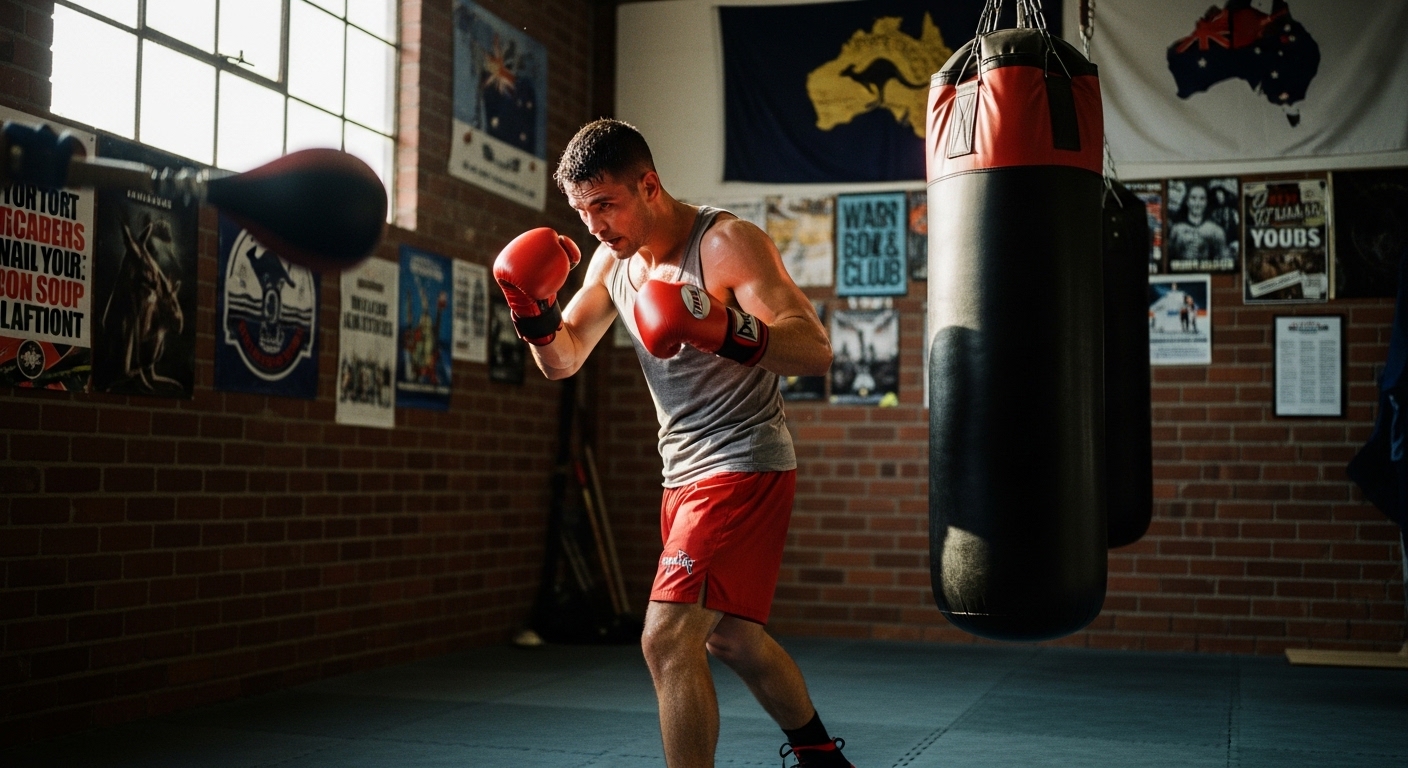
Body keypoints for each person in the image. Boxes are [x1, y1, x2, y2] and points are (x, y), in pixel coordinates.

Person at [492, 119, 849, 768]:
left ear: (648, 185)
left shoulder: (725, 245)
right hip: (680, 473)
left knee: (666, 639)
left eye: (605, 205)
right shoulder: (611, 261)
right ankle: (822, 756)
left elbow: (815, 349)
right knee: (733, 639)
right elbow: (565, 361)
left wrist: (722, 327)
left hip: (743, 462)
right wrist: (533, 314)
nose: (595, 226)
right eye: (581, 210)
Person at [1168, 183, 1229, 267]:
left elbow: (1225, 263)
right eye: (1193, 198)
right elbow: (1168, 262)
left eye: (1202, 199)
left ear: (1206, 202)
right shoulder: (1176, 230)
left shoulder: (1216, 231)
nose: (1197, 203)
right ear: (1187, 201)